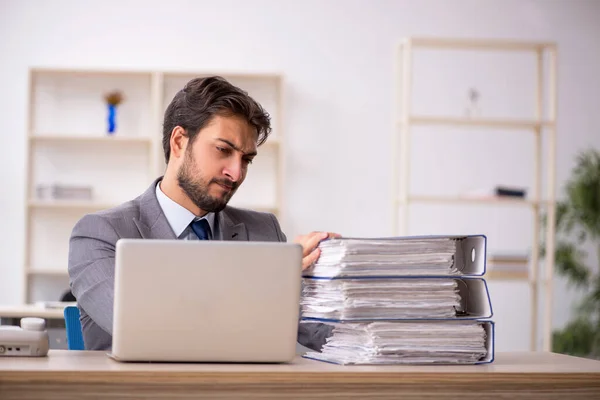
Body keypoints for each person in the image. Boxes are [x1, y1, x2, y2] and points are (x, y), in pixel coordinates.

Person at [68, 76, 338, 351]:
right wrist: (271, 283)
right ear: (179, 142)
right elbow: (148, 330)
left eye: (246, 159)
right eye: (223, 150)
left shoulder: (264, 231)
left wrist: (335, 281)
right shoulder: (99, 234)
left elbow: (318, 337)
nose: (236, 172)